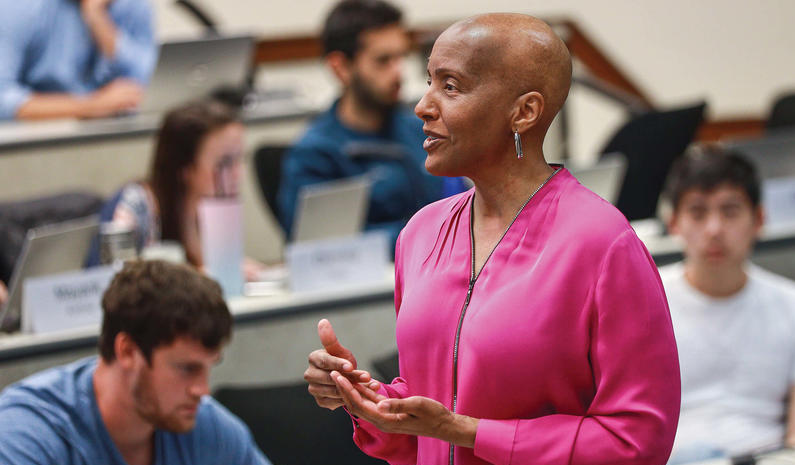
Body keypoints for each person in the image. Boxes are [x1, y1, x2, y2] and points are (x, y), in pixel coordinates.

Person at [304, 13, 680, 465]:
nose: (422, 104)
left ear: (523, 112)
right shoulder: (421, 235)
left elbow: (633, 446)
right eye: (429, 79)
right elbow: (428, 420)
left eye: (450, 86)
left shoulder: (603, 244)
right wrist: (369, 401)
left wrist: (465, 432)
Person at [0, 260, 352, 465]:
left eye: (208, 367)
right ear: (127, 351)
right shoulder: (27, 426)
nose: (202, 388)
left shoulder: (201, 420)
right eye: (186, 369)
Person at [660, 144, 795, 465]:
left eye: (730, 211)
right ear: (674, 223)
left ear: (759, 219)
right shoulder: (639, 303)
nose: (714, 230)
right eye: (698, 212)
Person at [278, 0, 464, 243]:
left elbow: (460, 207)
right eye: (383, 60)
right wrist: (426, 232)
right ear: (341, 67)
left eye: (401, 57)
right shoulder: (315, 153)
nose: (398, 72)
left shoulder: (422, 130)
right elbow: (320, 246)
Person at [86, 100, 261, 277]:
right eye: (225, 163)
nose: (238, 175)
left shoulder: (215, 211)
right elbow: (112, 286)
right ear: (185, 168)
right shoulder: (132, 205)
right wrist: (205, 277)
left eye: (241, 159)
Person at [0, 0, 155, 121]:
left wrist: (96, 17)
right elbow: (3, 101)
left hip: (111, 136)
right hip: (37, 139)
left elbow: (137, 87)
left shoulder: (132, 4)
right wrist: (92, 106)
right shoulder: (18, 6)